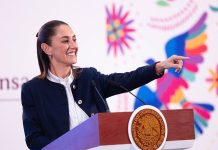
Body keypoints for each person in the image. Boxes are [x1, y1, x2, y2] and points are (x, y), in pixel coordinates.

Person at [21, 20, 189, 149]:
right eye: (65, 41)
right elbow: (34, 139)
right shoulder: (32, 90)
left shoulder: (89, 77)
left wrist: (158, 67)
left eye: (74, 39)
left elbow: (126, 79)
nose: (74, 46)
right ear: (47, 48)